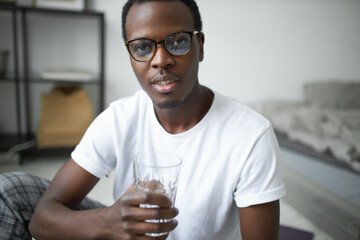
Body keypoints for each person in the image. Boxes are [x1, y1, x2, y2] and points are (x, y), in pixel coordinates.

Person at [0, 0, 286, 239]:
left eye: (177, 41)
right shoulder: (119, 118)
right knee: (8, 192)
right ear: (130, 55)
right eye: (142, 47)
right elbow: (42, 218)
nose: (160, 60)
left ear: (200, 45)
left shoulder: (251, 135)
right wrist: (108, 222)